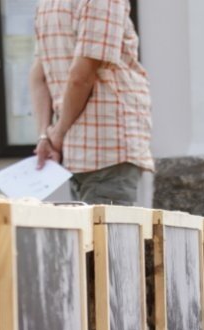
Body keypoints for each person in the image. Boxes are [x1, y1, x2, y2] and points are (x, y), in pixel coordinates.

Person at [30, 0, 155, 207]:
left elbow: (38, 77)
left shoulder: (46, 4)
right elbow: (82, 76)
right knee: (109, 227)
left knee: (86, 226)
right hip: (110, 145)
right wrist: (58, 133)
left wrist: (45, 135)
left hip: (76, 149)